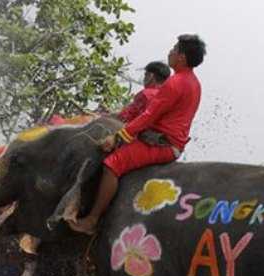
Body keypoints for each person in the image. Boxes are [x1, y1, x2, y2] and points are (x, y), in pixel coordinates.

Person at [69, 34, 206, 235]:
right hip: (169, 141)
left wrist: (116, 137)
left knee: (112, 164)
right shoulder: (194, 82)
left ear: (182, 58)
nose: (170, 52)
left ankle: (92, 219)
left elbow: (148, 116)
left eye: (174, 49)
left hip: (162, 144)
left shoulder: (175, 82)